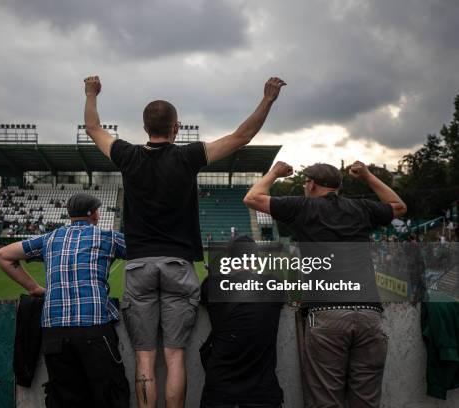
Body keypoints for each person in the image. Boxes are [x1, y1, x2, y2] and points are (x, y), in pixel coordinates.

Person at [83, 74, 285, 408]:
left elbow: (93, 128)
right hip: (178, 265)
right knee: (174, 356)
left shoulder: (127, 155)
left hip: (139, 266)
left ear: (145, 127)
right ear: (176, 128)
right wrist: (267, 100)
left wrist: (91, 93)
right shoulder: (188, 156)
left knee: (145, 359)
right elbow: (242, 135)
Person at [243, 160, 407, 408]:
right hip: (369, 313)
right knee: (366, 401)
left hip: (326, 312)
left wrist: (275, 173)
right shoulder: (360, 208)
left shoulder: (302, 207)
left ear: (311, 184)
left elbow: (253, 198)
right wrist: (367, 176)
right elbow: (399, 206)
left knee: (325, 401)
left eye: (304, 182)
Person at [0, 193, 130, 408]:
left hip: (54, 331)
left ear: (69, 214)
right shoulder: (107, 236)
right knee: (110, 394)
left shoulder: (50, 238)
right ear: (94, 214)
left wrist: (34, 288)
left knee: (65, 398)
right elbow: (144, 251)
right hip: (93, 327)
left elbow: (2, 255)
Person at [200, 236, 284, 408]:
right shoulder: (274, 284)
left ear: (229, 260)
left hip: (220, 394)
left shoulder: (212, 285)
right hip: (263, 395)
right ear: (254, 260)